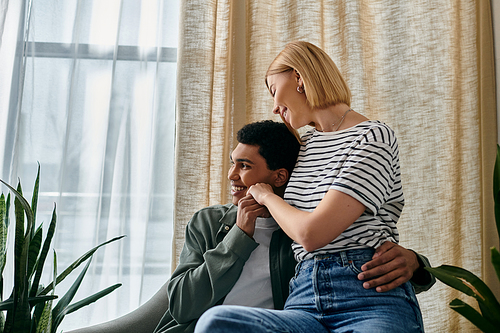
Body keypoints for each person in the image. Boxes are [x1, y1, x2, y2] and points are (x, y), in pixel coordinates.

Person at [195, 42, 426, 333]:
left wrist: (265, 195)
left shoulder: (373, 137)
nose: (274, 106)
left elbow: (312, 234)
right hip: (303, 299)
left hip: (367, 296)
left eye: (273, 89)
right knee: (217, 323)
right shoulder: (304, 147)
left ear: (299, 78)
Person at [156, 120, 433, 333]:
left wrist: (415, 263)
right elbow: (181, 305)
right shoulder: (208, 222)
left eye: (244, 165)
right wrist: (238, 238)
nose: (231, 175)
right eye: (232, 163)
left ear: (278, 177)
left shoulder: (302, 227)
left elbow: (345, 269)